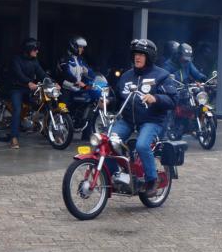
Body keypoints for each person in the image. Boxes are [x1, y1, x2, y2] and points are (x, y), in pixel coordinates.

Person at [112, 39, 178, 197]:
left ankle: (151, 181)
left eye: (141, 54)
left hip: (152, 120)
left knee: (142, 145)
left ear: (149, 56)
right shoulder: (126, 76)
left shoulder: (161, 75)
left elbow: (173, 100)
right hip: (128, 120)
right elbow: (117, 98)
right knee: (108, 141)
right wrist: (106, 101)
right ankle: (117, 176)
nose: (137, 57)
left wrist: (156, 98)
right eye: (135, 54)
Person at [5, 38, 49, 149]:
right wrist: (28, 82)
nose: (37, 51)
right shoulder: (16, 60)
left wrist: (52, 82)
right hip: (16, 88)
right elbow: (18, 74)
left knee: (43, 104)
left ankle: (46, 130)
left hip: (29, 88)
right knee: (17, 110)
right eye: (35, 49)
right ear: (28, 49)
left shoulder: (34, 61)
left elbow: (41, 73)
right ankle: (13, 138)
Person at [58, 36, 96, 106]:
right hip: (66, 90)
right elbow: (66, 73)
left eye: (83, 47)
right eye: (80, 47)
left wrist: (90, 73)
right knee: (64, 111)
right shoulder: (64, 58)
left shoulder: (81, 60)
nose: (82, 49)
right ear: (74, 47)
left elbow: (91, 73)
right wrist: (76, 81)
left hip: (77, 89)